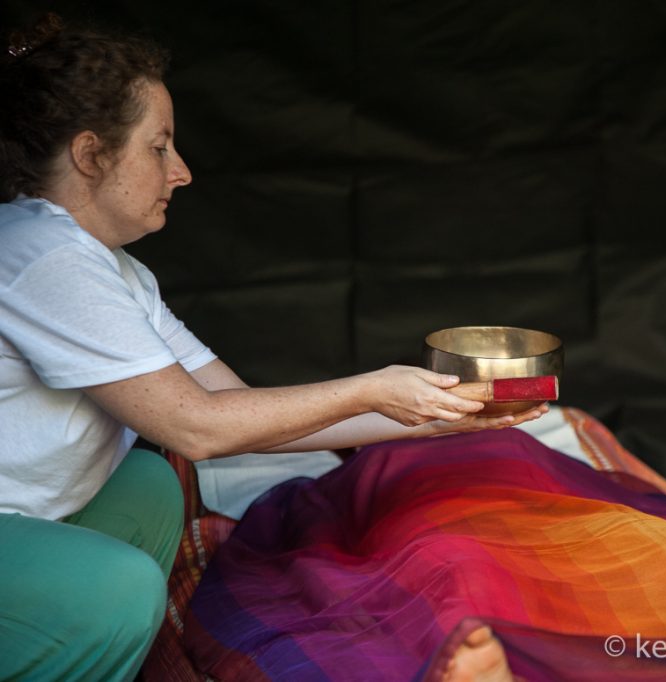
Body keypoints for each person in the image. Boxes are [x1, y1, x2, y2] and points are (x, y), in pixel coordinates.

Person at [0, 16, 544, 681]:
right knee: (120, 584)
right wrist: (374, 386)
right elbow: (197, 428)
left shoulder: (111, 270)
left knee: (149, 485)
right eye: (160, 147)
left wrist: (441, 416)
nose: (182, 172)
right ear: (90, 155)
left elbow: (236, 408)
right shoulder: (42, 250)